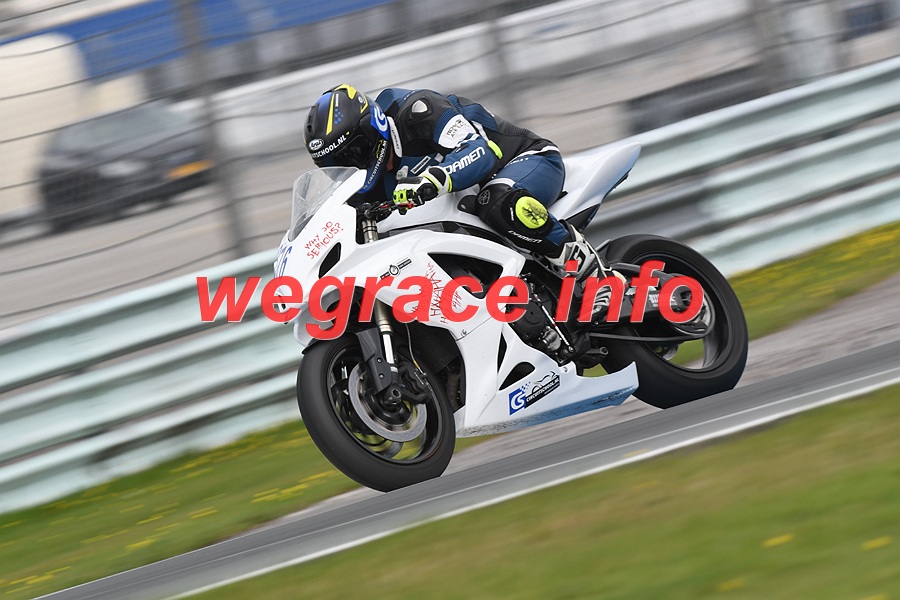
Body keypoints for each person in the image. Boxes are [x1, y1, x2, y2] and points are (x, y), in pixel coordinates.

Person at [303, 84, 614, 287]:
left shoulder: (417, 110)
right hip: (468, 206)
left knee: (497, 200)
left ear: (373, 127)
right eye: (336, 164)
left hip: (524, 161)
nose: (352, 165)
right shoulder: (363, 188)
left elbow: (479, 151)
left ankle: (594, 276)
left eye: (353, 153)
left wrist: (432, 179)